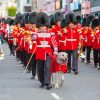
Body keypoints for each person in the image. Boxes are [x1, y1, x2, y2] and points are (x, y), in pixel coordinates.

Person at [34, 12, 58, 90]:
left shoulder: (51, 34)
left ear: (46, 26)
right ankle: (42, 81)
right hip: (39, 53)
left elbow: (54, 43)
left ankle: (48, 83)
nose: (42, 28)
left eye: (44, 26)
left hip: (48, 53)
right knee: (40, 68)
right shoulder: (36, 34)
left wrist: (55, 51)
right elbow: (33, 38)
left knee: (48, 67)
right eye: (41, 26)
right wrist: (33, 36)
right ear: (39, 26)